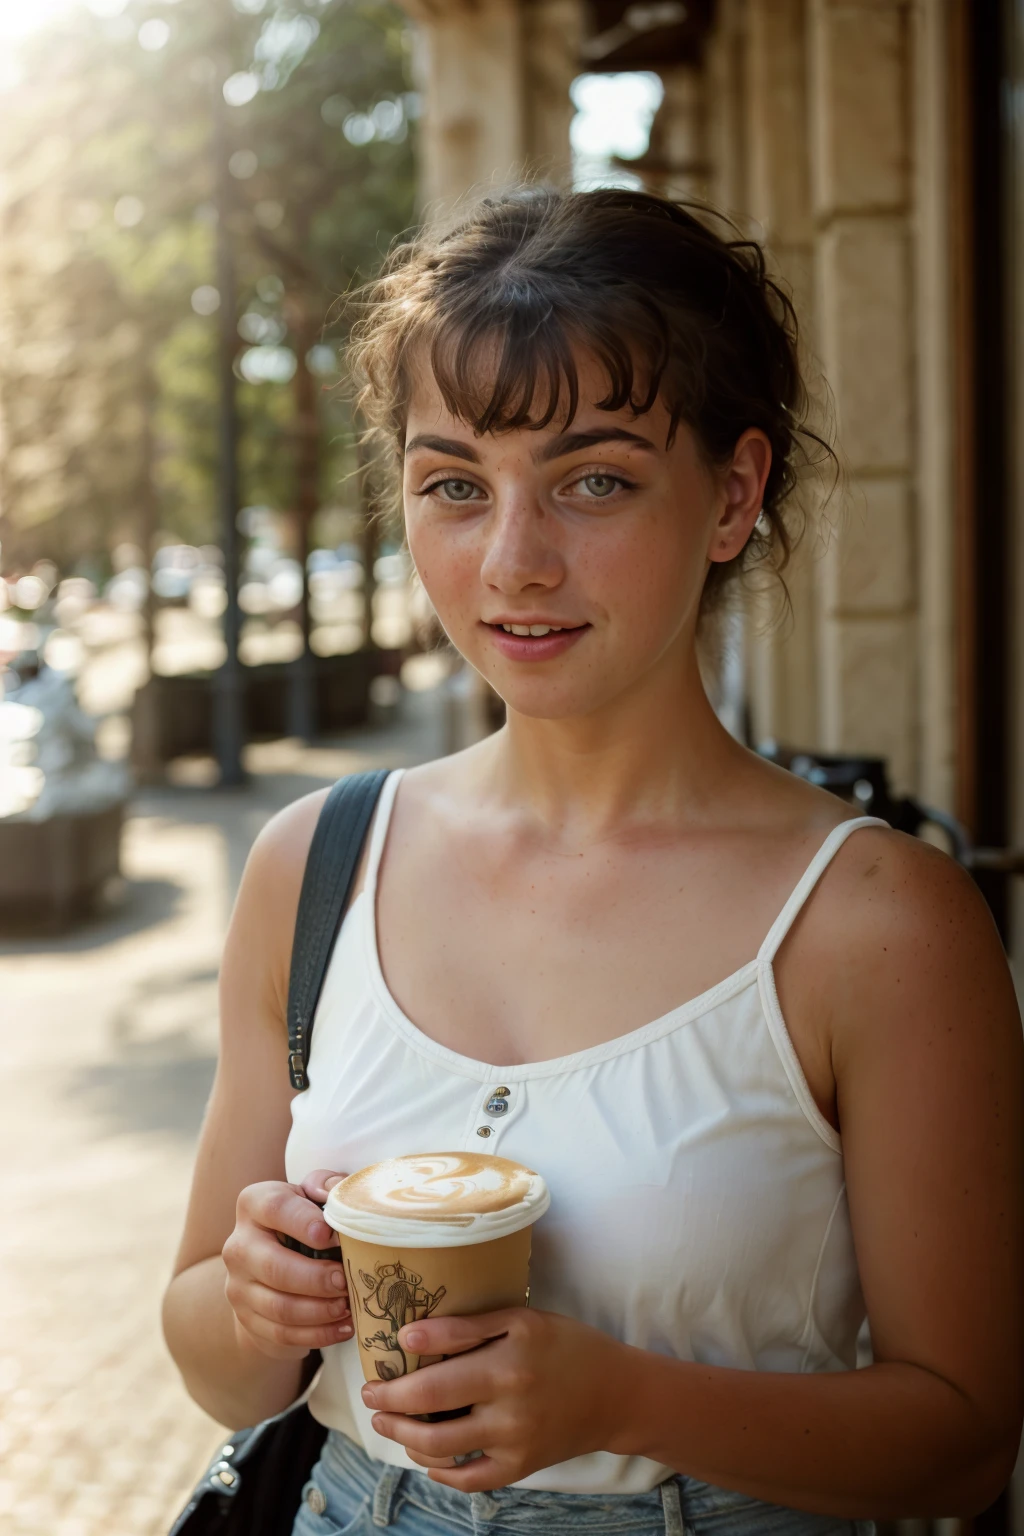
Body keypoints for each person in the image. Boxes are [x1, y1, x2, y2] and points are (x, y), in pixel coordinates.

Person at [163, 189, 1023, 1536]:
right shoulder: (313, 866)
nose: (514, 560)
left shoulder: (877, 924)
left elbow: (964, 1442)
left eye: (595, 480)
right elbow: (218, 1367)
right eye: (455, 484)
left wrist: (623, 1400)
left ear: (733, 494)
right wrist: (253, 1296)